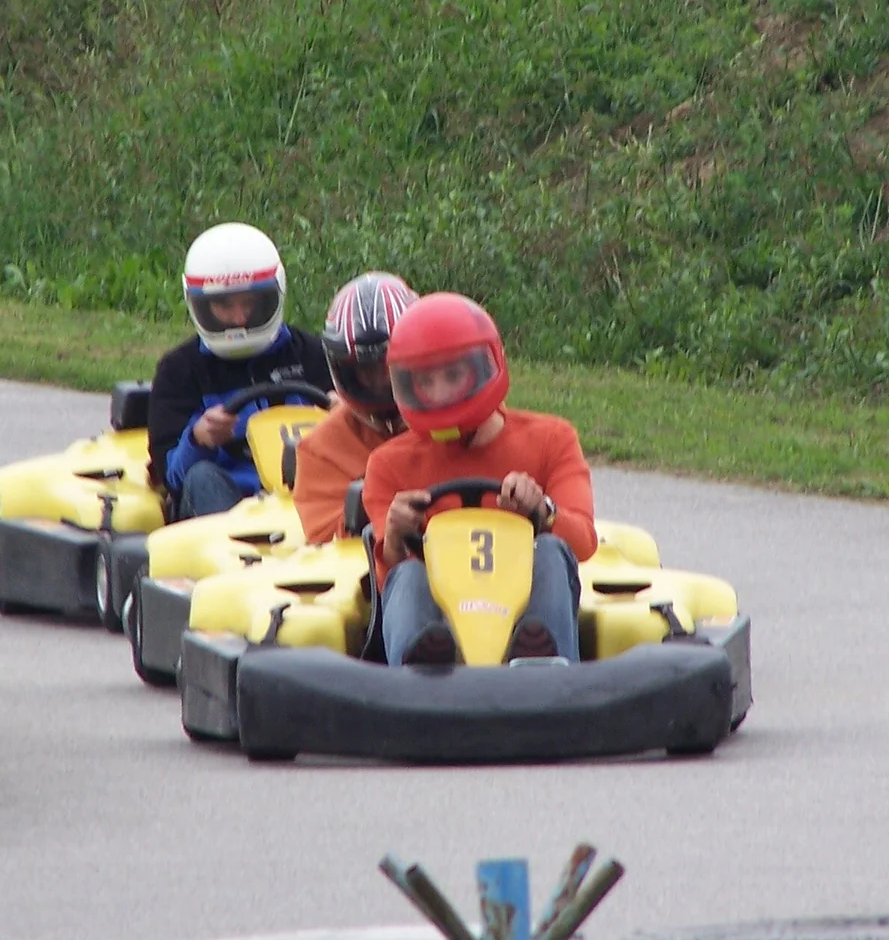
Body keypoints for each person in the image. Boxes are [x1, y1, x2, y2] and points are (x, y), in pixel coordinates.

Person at [361, 293, 597, 666]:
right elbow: (384, 577)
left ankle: (542, 660)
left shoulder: (552, 439)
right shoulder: (388, 465)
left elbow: (583, 543)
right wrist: (394, 533)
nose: (439, 394)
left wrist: (542, 511)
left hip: (522, 612)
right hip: (440, 620)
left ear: (484, 366)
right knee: (406, 574)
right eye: (426, 381)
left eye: (453, 376)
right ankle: (419, 670)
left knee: (551, 552)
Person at [147, 223, 333, 520]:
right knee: (202, 476)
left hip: (309, 498)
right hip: (228, 509)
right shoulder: (179, 371)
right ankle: (238, 559)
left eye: (249, 303)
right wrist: (199, 440)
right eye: (223, 305)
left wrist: (346, 414)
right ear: (200, 305)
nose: (239, 318)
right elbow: (172, 476)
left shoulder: (314, 356)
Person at [292, 272, 420, 545]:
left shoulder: (465, 420)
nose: (379, 380)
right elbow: (325, 539)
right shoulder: (321, 448)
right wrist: (372, 508)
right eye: (366, 371)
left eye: (388, 365)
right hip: (372, 578)